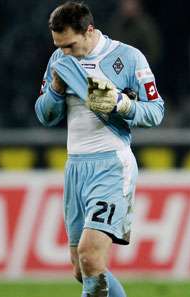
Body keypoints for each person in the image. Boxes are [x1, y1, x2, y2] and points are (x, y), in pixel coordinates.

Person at [35, 2, 164, 296]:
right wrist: (55, 88)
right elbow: (45, 115)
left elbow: (156, 112)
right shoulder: (60, 60)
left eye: (69, 45)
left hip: (111, 165)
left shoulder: (128, 58)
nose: (64, 52)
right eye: (59, 46)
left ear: (89, 31)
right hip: (75, 167)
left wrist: (121, 104)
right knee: (82, 269)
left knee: (91, 255)